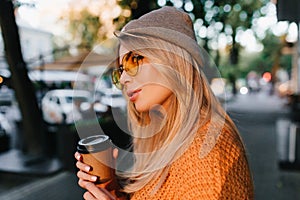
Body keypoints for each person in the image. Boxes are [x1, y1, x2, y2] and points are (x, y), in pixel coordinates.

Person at [75, 6, 254, 199]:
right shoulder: (168, 140)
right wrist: (112, 190)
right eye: (120, 70)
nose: (124, 78)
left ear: (174, 59)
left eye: (134, 59)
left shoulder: (208, 153)